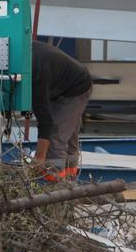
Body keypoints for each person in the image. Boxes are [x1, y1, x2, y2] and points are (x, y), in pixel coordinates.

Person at [31, 40, 92, 180]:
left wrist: (40, 157)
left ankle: (55, 187)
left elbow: (45, 121)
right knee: (69, 139)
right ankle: (69, 184)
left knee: (55, 135)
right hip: (62, 84)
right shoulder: (24, 54)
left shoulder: (35, 71)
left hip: (77, 87)